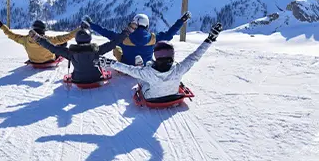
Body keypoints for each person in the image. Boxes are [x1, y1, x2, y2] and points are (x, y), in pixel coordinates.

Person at [95, 23, 223, 101]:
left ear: (156, 56)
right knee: (141, 73)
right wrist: (210, 39)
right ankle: (142, 68)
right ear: (172, 56)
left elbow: (127, 69)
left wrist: (109, 62)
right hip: (173, 95)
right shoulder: (179, 69)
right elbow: (196, 55)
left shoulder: (149, 72)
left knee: (139, 75)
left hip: (151, 97)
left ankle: (140, 65)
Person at [30, 21, 138, 83]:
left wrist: (39, 39)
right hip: (96, 78)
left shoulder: (70, 53)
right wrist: (127, 31)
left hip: (77, 79)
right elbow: (115, 42)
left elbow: (52, 48)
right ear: (90, 38)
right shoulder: (97, 50)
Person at [83, 12, 192, 66]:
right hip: (146, 66)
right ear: (146, 25)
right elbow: (170, 34)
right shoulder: (153, 38)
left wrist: (91, 24)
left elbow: (106, 32)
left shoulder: (124, 38)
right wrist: (182, 21)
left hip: (127, 66)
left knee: (116, 48)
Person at [0, 19, 79, 65]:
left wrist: (2, 27)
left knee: (59, 42)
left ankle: (36, 57)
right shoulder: (49, 39)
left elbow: (12, 35)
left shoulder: (25, 39)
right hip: (49, 60)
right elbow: (66, 37)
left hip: (33, 61)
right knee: (63, 43)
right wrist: (80, 29)